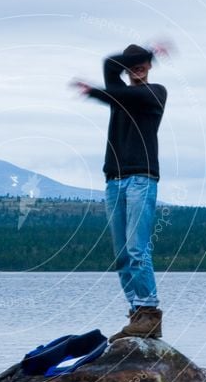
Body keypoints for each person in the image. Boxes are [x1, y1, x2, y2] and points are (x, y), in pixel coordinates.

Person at [72, 43, 168, 342]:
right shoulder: (119, 93)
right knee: (123, 254)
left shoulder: (154, 93)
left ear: (150, 68)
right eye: (133, 64)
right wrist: (145, 53)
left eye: (143, 64)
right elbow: (109, 64)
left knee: (138, 249)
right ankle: (137, 313)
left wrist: (95, 92)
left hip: (142, 178)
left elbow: (121, 92)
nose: (138, 68)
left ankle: (150, 313)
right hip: (114, 180)